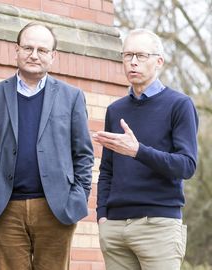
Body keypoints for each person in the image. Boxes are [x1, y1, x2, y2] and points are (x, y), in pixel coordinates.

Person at [0, 22, 94, 270]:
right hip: (4, 209)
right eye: (28, 47)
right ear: (16, 50)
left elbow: (83, 154)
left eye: (42, 50)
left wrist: (77, 198)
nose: (34, 55)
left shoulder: (71, 97)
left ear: (53, 56)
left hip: (56, 208)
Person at [94, 29, 198, 270]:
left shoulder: (179, 105)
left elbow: (186, 165)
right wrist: (102, 216)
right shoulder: (115, 109)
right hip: (115, 228)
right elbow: (107, 168)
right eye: (127, 55)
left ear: (159, 61)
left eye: (141, 55)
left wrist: (138, 151)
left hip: (158, 225)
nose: (133, 61)